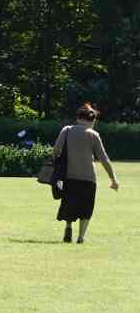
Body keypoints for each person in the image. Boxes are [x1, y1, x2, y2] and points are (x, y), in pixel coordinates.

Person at [52, 103, 119, 243]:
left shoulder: (67, 130)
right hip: (88, 178)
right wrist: (113, 179)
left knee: (69, 204)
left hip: (69, 177)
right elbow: (104, 158)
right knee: (86, 208)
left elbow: (56, 151)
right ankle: (81, 237)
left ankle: (68, 227)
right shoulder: (93, 134)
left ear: (78, 118)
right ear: (91, 120)